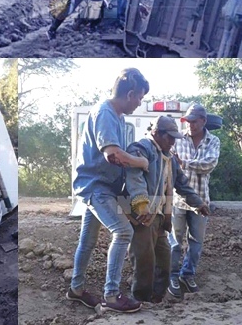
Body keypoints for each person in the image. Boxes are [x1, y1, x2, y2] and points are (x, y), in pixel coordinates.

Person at [67, 68, 150, 314]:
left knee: (88, 240)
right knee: (123, 232)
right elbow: (113, 155)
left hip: (99, 186)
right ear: (130, 94)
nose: (139, 103)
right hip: (96, 188)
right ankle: (111, 296)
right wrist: (142, 163)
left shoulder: (118, 116)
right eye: (140, 98)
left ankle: (76, 289)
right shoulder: (105, 113)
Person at [124, 116, 209, 303]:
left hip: (159, 216)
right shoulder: (141, 148)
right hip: (141, 215)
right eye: (169, 137)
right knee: (144, 261)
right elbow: (135, 178)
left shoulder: (168, 157)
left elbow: (182, 184)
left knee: (164, 260)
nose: (172, 142)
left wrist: (198, 203)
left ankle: (156, 299)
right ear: (156, 133)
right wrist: (141, 205)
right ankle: (141, 301)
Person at [168, 103, 220, 298]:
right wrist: (178, 164)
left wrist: (183, 163)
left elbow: (209, 164)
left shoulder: (213, 141)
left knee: (196, 242)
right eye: (187, 121)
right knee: (174, 241)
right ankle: (172, 275)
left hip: (201, 200)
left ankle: (187, 274)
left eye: (193, 121)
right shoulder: (177, 138)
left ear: (203, 121)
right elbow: (170, 162)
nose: (189, 124)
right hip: (178, 200)